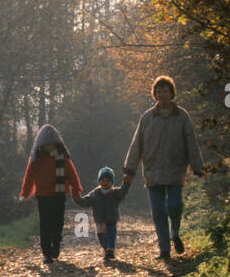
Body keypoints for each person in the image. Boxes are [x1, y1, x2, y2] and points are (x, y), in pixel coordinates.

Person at [123, 75, 204, 264]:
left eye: (165, 90)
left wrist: (197, 166)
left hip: (175, 169)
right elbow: (137, 145)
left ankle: (175, 231)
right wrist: (129, 169)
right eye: (158, 91)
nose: (162, 93)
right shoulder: (147, 117)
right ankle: (165, 249)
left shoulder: (182, 116)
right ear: (155, 94)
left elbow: (191, 142)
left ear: (171, 93)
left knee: (175, 205)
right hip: (153, 171)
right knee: (158, 212)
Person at [19, 124, 83, 264]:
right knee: (45, 224)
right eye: (46, 144)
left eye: (51, 144)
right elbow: (29, 177)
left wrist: (76, 189)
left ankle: (56, 246)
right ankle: (47, 253)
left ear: (56, 144)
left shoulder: (62, 158)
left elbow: (71, 174)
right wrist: (25, 193)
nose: (49, 147)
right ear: (41, 145)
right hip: (42, 196)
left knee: (58, 223)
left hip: (59, 195)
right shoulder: (36, 159)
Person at [74, 166, 131, 264]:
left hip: (111, 218)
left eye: (108, 180)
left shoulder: (115, 192)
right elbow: (86, 201)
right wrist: (77, 199)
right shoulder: (95, 193)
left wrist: (126, 183)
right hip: (99, 219)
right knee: (101, 237)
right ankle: (106, 249)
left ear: (111, 182)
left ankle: (110, 249)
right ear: (99, 181)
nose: (105, 183)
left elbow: (123, 192)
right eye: (103, 180)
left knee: (111, 234)